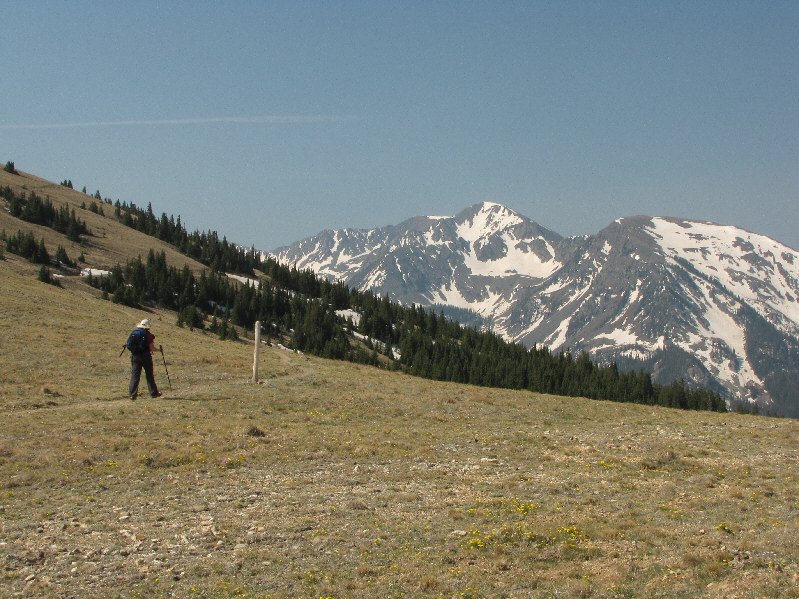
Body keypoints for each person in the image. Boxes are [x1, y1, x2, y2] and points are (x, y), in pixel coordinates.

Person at [128, 319, 162, 400]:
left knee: (135, 375)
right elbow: (152, 348)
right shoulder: (148, 335)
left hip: (135, 356)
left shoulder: (134, 333)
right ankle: (154, 393)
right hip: (145, 356)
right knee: (149, 375)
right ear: (148, 327)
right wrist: (159, 350)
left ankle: (132, 394)